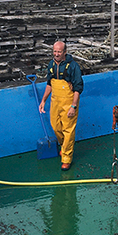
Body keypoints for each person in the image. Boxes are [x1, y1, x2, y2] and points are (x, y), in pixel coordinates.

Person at [38, 41, 83, 170]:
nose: (56, 54)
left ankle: (67, 158)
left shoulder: (73, 66)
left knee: (68, 130)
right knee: (56, 126)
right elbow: (49, 84)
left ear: (64, 52)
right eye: (54, 51)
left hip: (69, 101)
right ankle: (64, 147)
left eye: (59, 51)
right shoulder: (51, 65)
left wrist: (73, 106)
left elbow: (78, 88)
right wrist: (43, 101)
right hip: (55, 101)